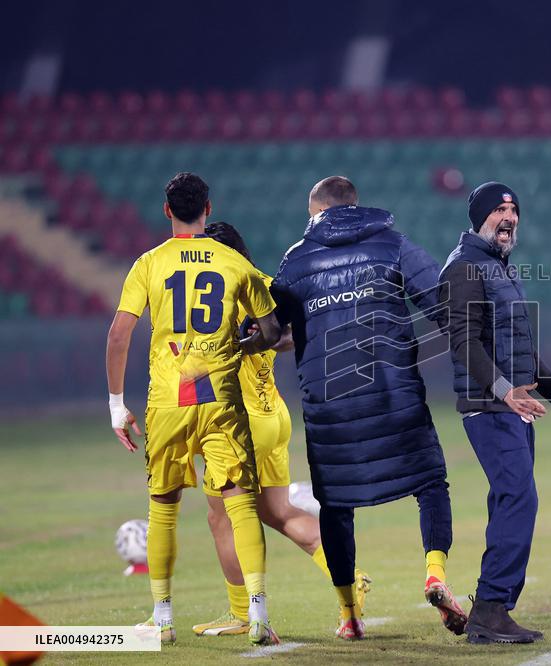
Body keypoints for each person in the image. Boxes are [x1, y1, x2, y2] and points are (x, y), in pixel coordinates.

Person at [269, 176, 466, 640]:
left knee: (336, 507)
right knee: (431, 485)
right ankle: (434, 574)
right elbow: (444, 307)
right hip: (395, 397)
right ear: (356, 206)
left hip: (328, 409)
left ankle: (350, 616)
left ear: (316, 212)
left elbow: (269, 332)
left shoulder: (296, 259)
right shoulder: (392, 245)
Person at [105, 173, 282, 646]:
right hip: (220, 398)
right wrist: (238, 347)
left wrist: (117, 405)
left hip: (169, 401)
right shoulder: (233, 261)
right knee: (240, 504)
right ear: (209, 208)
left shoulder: (149, 263)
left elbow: (119, 335)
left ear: (167, 210)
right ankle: (258, 613)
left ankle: (162, 618)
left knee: (163, 509)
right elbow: (270, 332)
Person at [190, 222, 371, 637]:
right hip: (273, 415)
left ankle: (243, 613)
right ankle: (351, 577)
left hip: (239, 423)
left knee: (222, 518)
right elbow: (293, 334)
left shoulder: (212, 293)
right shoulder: (266, 286)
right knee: (278, 512)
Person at [438, 181, 551, 645]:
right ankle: (490, 609)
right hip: (489, 406)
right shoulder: (464, 268)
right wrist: (505, 392)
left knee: (511, 498)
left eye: (514, 210)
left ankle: (492, 608)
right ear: (479, 218)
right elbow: (463, 343)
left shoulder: (497, 267)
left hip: (510, 405)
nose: (509, 217)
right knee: (518, 497)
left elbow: (517, 348)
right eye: (499, 210)